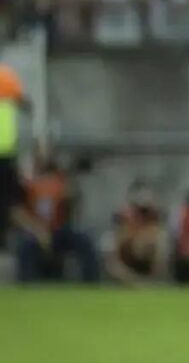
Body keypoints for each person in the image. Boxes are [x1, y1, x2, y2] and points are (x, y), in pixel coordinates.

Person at [13, 153, 100, 283]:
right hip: (36, 231)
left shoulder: (61, 182)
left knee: (85, 242)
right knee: (25, 246)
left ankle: (91, 283)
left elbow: (71, 204)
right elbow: (17, 213)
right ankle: (27, 284)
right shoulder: (29, 185)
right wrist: (38, 231)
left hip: (60, 230)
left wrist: (70, 192)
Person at [106, 180, 166, 284]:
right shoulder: (125, 217)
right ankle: (135, 282)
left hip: (146, 261)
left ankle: (150, 282)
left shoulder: (153, 218)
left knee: (160, 241)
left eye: (143, 211)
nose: (140, 214)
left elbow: (155, 245)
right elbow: (118, 246)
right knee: (110, 252)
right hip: (127, 260)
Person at [0, 64, 26, 248]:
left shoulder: (7, 76)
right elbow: (23, 102)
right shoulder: (8, 76)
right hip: (7, 154)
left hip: (7, 154)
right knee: (8, 200)